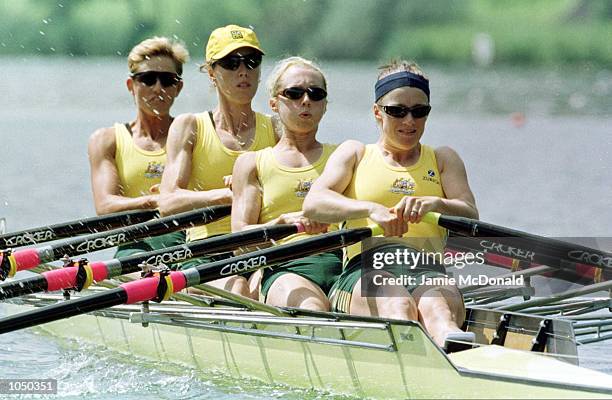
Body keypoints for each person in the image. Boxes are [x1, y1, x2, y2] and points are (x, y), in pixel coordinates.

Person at [303, 60, 478, 347]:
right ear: (377, 113)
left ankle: (454, 358)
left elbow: (471, 214)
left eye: (419, 112)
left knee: (438, 312)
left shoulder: (444, 159)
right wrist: (370, 209)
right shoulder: (355, 154)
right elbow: (314, 203)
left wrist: (436, 204)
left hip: (427, 268)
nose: (409, 121)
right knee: (396, 304)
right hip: (364, 270)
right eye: (397, 111)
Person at [159, 25, 278, 297]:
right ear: (211, 73)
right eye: (230, 63)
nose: (243, 70)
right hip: (207, 250)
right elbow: (167, 203)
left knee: (262, 286)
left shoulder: (276, 128)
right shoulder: (190, 127)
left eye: (252, 61)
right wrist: (229, 195)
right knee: (239, 287)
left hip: (263, 247)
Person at [231, 57, 341, 311]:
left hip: (343, 268)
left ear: (324, 105)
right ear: (274, 104)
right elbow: (239, 242)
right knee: (312, 307)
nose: (305, 101)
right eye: (293, 93)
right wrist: (279, 225)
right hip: (286, 267)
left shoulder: (345, 156)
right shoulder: (251, 163)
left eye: (316, 94)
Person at [88, 36, 188, 258]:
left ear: (178, 87)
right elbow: (105, 207)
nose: (158, 88)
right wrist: (155, 201)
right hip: (135, 245)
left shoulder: (194, 135)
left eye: (167, 80)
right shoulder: (107, 140)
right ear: (131, 85)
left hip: (187, 243)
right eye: (148, 79)